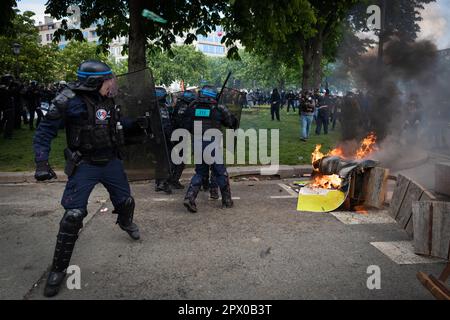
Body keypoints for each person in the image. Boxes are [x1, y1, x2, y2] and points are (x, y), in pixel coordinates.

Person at [33, 60, 140, 297]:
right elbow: (44, 131)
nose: (112, 84)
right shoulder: (67, 100)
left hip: (111, 161)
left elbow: (113, 125)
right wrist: (42, 162)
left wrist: (137, 125)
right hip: (85, 164)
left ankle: (125, 222)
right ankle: (58, 270)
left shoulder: (109, 99)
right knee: (72, 216)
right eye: (107, 80)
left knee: (126, 202)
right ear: (93, 82)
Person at [183, 85, 238, 213]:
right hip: (212, 143)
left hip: (197, 143)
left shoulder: (192, 107)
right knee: (220, 172)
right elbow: (230, 122)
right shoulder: (219, 108)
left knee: (200, 173)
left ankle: (190, 197)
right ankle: (227, 200)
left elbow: (185, 125)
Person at [169, 89, 197, 189]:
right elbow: (188, 123)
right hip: (182, 135)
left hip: (174, 133)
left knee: (174, 157)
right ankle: (174, 180)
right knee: (182, 158)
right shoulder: (188, 108)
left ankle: (170, 178)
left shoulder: (178, 106)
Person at [154, 86, 173, 194]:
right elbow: (165, 124)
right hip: (163, 137)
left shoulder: (155, 106)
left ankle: (159, 182)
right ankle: (164, 182)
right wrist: (170, 136)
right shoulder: (159, 108)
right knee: (166, 160)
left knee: (160, 160)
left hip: (156, 138)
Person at [0, 74, 16, 139]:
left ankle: (4, 132)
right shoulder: (3, 89)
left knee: (4, 120)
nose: (10, 81)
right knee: (9, 121)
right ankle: (7, 135)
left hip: (5, 107)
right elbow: (9, 94)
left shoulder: (4, 88)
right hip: (7, 107)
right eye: (9, 80)